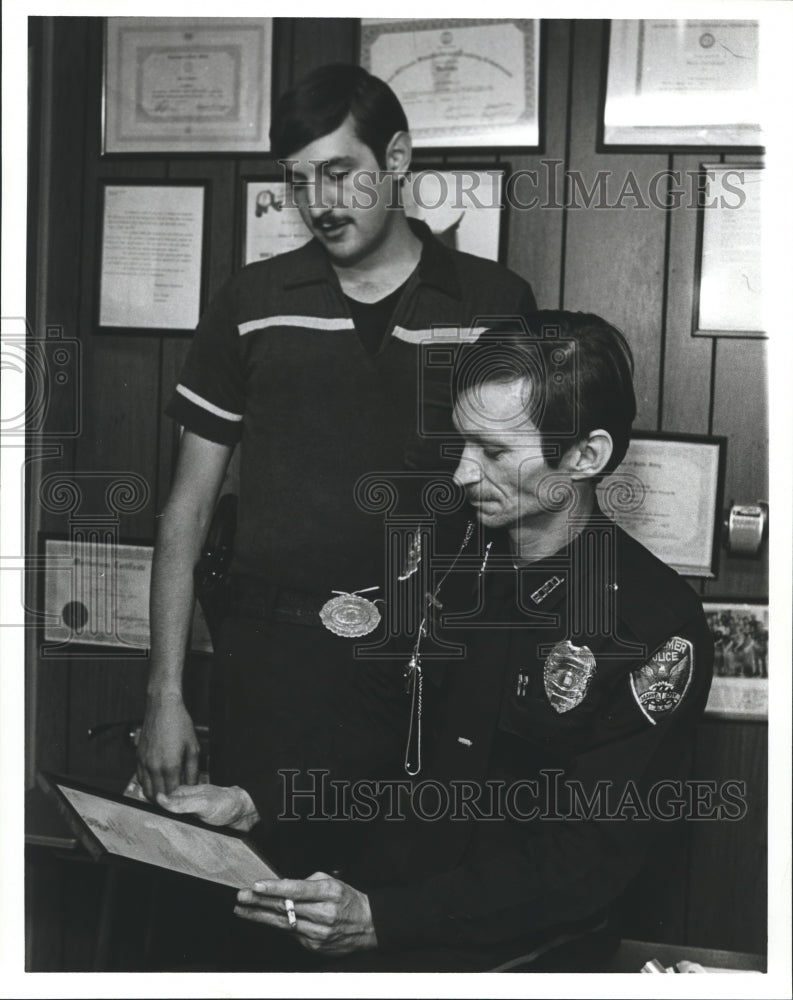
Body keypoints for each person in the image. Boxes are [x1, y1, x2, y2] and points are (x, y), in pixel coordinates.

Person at [158, 311, 714, 972]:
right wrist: (259, 802)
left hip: (520, 954)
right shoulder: (439, 552)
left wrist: (383, 921)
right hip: (378, 914)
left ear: (586, 456)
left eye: (495, 452)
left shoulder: (654, 625)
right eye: (460, 444)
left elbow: (583, 859)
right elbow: (372, 718)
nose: (459, 475)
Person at [135, 62, 537, 872]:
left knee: (405, 910)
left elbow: (524, 498)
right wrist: (164, 692)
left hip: (430, 665)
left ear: (395, 161)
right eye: (297, 181)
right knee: (261, 902)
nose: (318, 201)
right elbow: (186, 508)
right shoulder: (250, 300)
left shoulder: (489, 301)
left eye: (339, 172)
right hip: (271, 663)